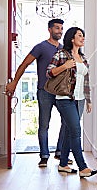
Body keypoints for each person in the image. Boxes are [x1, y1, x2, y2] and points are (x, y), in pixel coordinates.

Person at [5, 18, 72, 167]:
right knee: (43, 124)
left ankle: (60, 152)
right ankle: (44, 155)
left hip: (61, 93)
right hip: (45, 91)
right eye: (57, 28)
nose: (60, 31)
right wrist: (14, 82)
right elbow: (24, 65)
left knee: (67, 122)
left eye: (61, 28)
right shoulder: (41, 47)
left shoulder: (64, 49)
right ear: (50, 29)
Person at [46, 27, 97, 178]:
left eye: (83, 36)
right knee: (76, 131)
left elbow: (86, 81)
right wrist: (64, 66)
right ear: (71, 38)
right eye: (80, 35)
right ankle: (83, 167)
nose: (83, 38)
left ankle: (63, 165)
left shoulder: (83, 58)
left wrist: (88, 100)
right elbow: (48, 72)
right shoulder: (62, 54)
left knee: (69, 131)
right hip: (65, 99)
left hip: (80, 99)